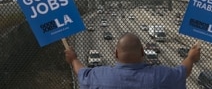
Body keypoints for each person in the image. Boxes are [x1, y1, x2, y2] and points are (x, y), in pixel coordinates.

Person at [65, 33, 201, 89]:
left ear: (116, 53)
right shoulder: (161, 76)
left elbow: (81, 72)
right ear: (142, 52)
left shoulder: (99, 76)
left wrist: (73, 59)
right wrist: (190, 57)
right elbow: (183, 72)